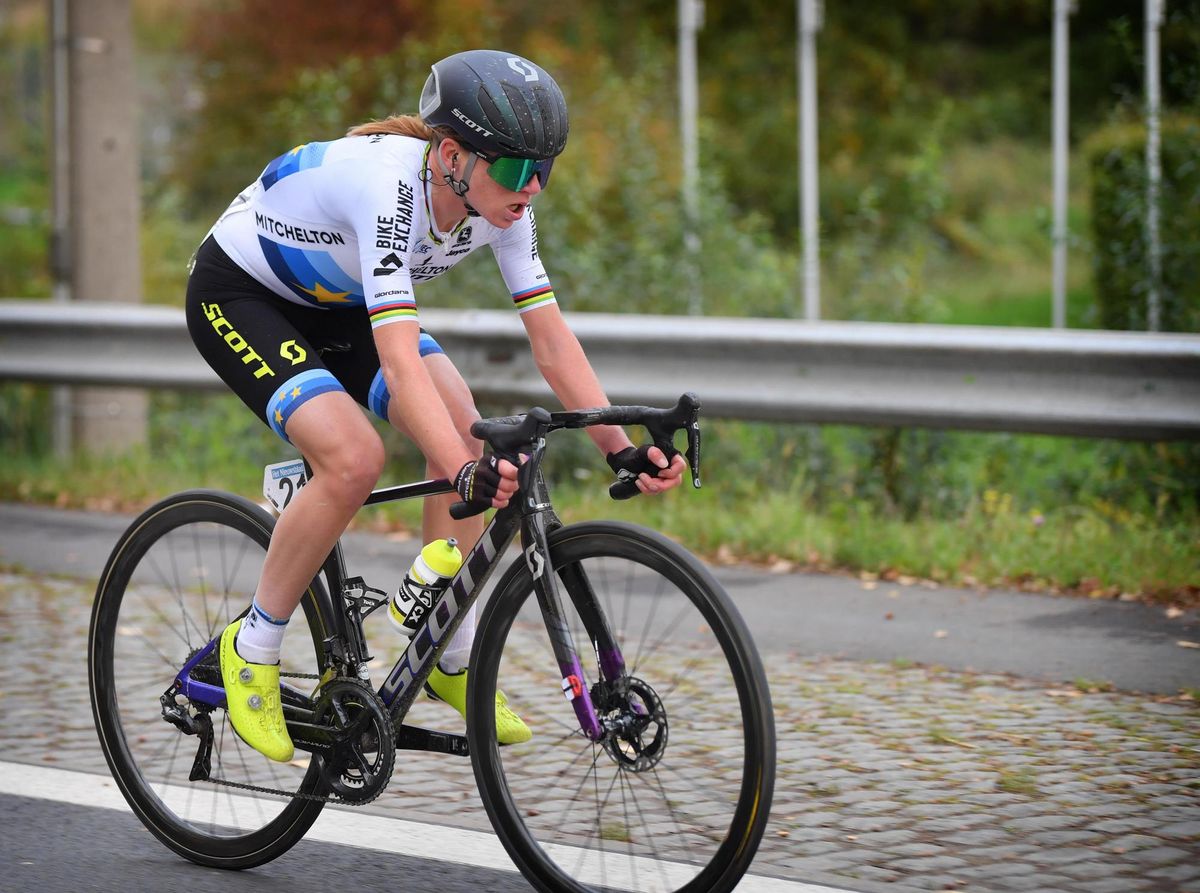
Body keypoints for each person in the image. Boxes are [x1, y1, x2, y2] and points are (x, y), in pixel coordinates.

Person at [185, 49, 687, 762]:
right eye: (517, 169)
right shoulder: (390, 187)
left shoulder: (504, 207)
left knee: (470, 426)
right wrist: (459, 472)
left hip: (340, 304)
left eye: (547, 167)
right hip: (242, 293)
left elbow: (551, 342)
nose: (534, 186)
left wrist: (621, 446)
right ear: (453, 156)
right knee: (354, 458)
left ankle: (443, 652)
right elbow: (397, 358)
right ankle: (252, 642)